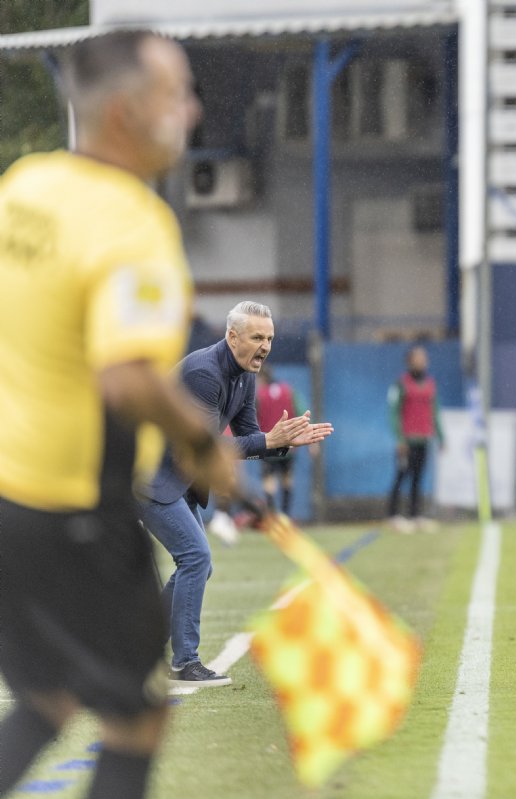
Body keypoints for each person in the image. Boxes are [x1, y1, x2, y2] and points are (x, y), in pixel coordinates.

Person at [0, 30, 238, 799]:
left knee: (47, 697)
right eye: (178, 94)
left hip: (6, 497)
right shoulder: (133, 224)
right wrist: (201, 442)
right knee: (135, 718)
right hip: (72, 505)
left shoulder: (25, 186)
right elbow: (128, 378)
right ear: (126, 112)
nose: (192, 111)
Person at [137, 301, 334, 688]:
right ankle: (184, 662)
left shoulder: (245, 376)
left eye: (270, 339)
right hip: (151, 478)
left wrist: (284, 442)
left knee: (199, 563)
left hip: (179, 479)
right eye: (257, 337)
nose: (266, 346)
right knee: (196, 557)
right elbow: (205, 448)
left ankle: (140, 645)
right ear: (232, 336)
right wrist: (268, 440)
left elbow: (249, 438)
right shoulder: (203, 373)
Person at [386, 345, 442, 531]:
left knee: (418, 478)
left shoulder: (430, 384)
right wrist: (399, 439)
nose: (423, 361)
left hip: (423, 439)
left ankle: (415, 515)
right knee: (401, 476)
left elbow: (435, 412)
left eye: (424, 358)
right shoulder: (400, 384)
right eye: (418, 358)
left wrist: (441, 436)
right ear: (410, 362)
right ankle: (393, 515)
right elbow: (393, 413)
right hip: (407, 441)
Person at [256, 364, 306, 516]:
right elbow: (302, 412)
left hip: (268, 444)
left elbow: (252, 417)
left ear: (262, 378)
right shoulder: (289, 391)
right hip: (288, 445)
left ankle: (272, 515)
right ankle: (285, 515)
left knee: (269, 480)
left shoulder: (260, 395)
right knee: (287, 479)